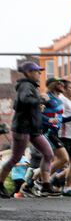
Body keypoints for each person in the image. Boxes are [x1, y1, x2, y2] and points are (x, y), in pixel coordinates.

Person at [0, 61, 56, 198]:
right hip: (22, 129)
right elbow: (25, 100)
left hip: (33, 129)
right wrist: (40, 99)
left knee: (48, 154)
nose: (39, 74)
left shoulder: (31, 87)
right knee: (15, 158)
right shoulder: (25, 86)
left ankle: (46, 186)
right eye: (37, 71)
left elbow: (19, 105)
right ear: (29, 72)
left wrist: (39, 104)